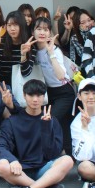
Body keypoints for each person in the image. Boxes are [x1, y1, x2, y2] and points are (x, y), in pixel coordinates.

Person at [0, 80, 74, 188]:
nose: (35, 99)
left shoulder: (52, 121)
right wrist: (12, 160)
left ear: (44, 97)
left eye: (39, 95)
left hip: (44, 170)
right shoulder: (12, 121)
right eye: (31, 95)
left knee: (68, 160)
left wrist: (46, 127)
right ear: (24, 95)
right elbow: (0, 147)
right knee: (1, 166)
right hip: (20, 171)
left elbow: (52, 154)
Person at [32, 16, 76, 156]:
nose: (42, 32)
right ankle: (64, 152)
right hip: (48, 92)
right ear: (33, 32)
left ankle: (66, 153)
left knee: (52, 118)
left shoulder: (54, 50)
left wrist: (51, 54)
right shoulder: (32, 50)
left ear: (50, 33)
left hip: (64, 92)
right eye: (39, 29)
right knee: (62, 123)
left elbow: (61, 75)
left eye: (46, 29)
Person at [0, 11, 35, 87]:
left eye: (15, 25)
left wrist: (23, 55)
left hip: (21, 85)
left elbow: (26, 73)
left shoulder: (29, 45)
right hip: (0, 84)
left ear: (22, 26)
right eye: (9, 25)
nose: (12, 29)